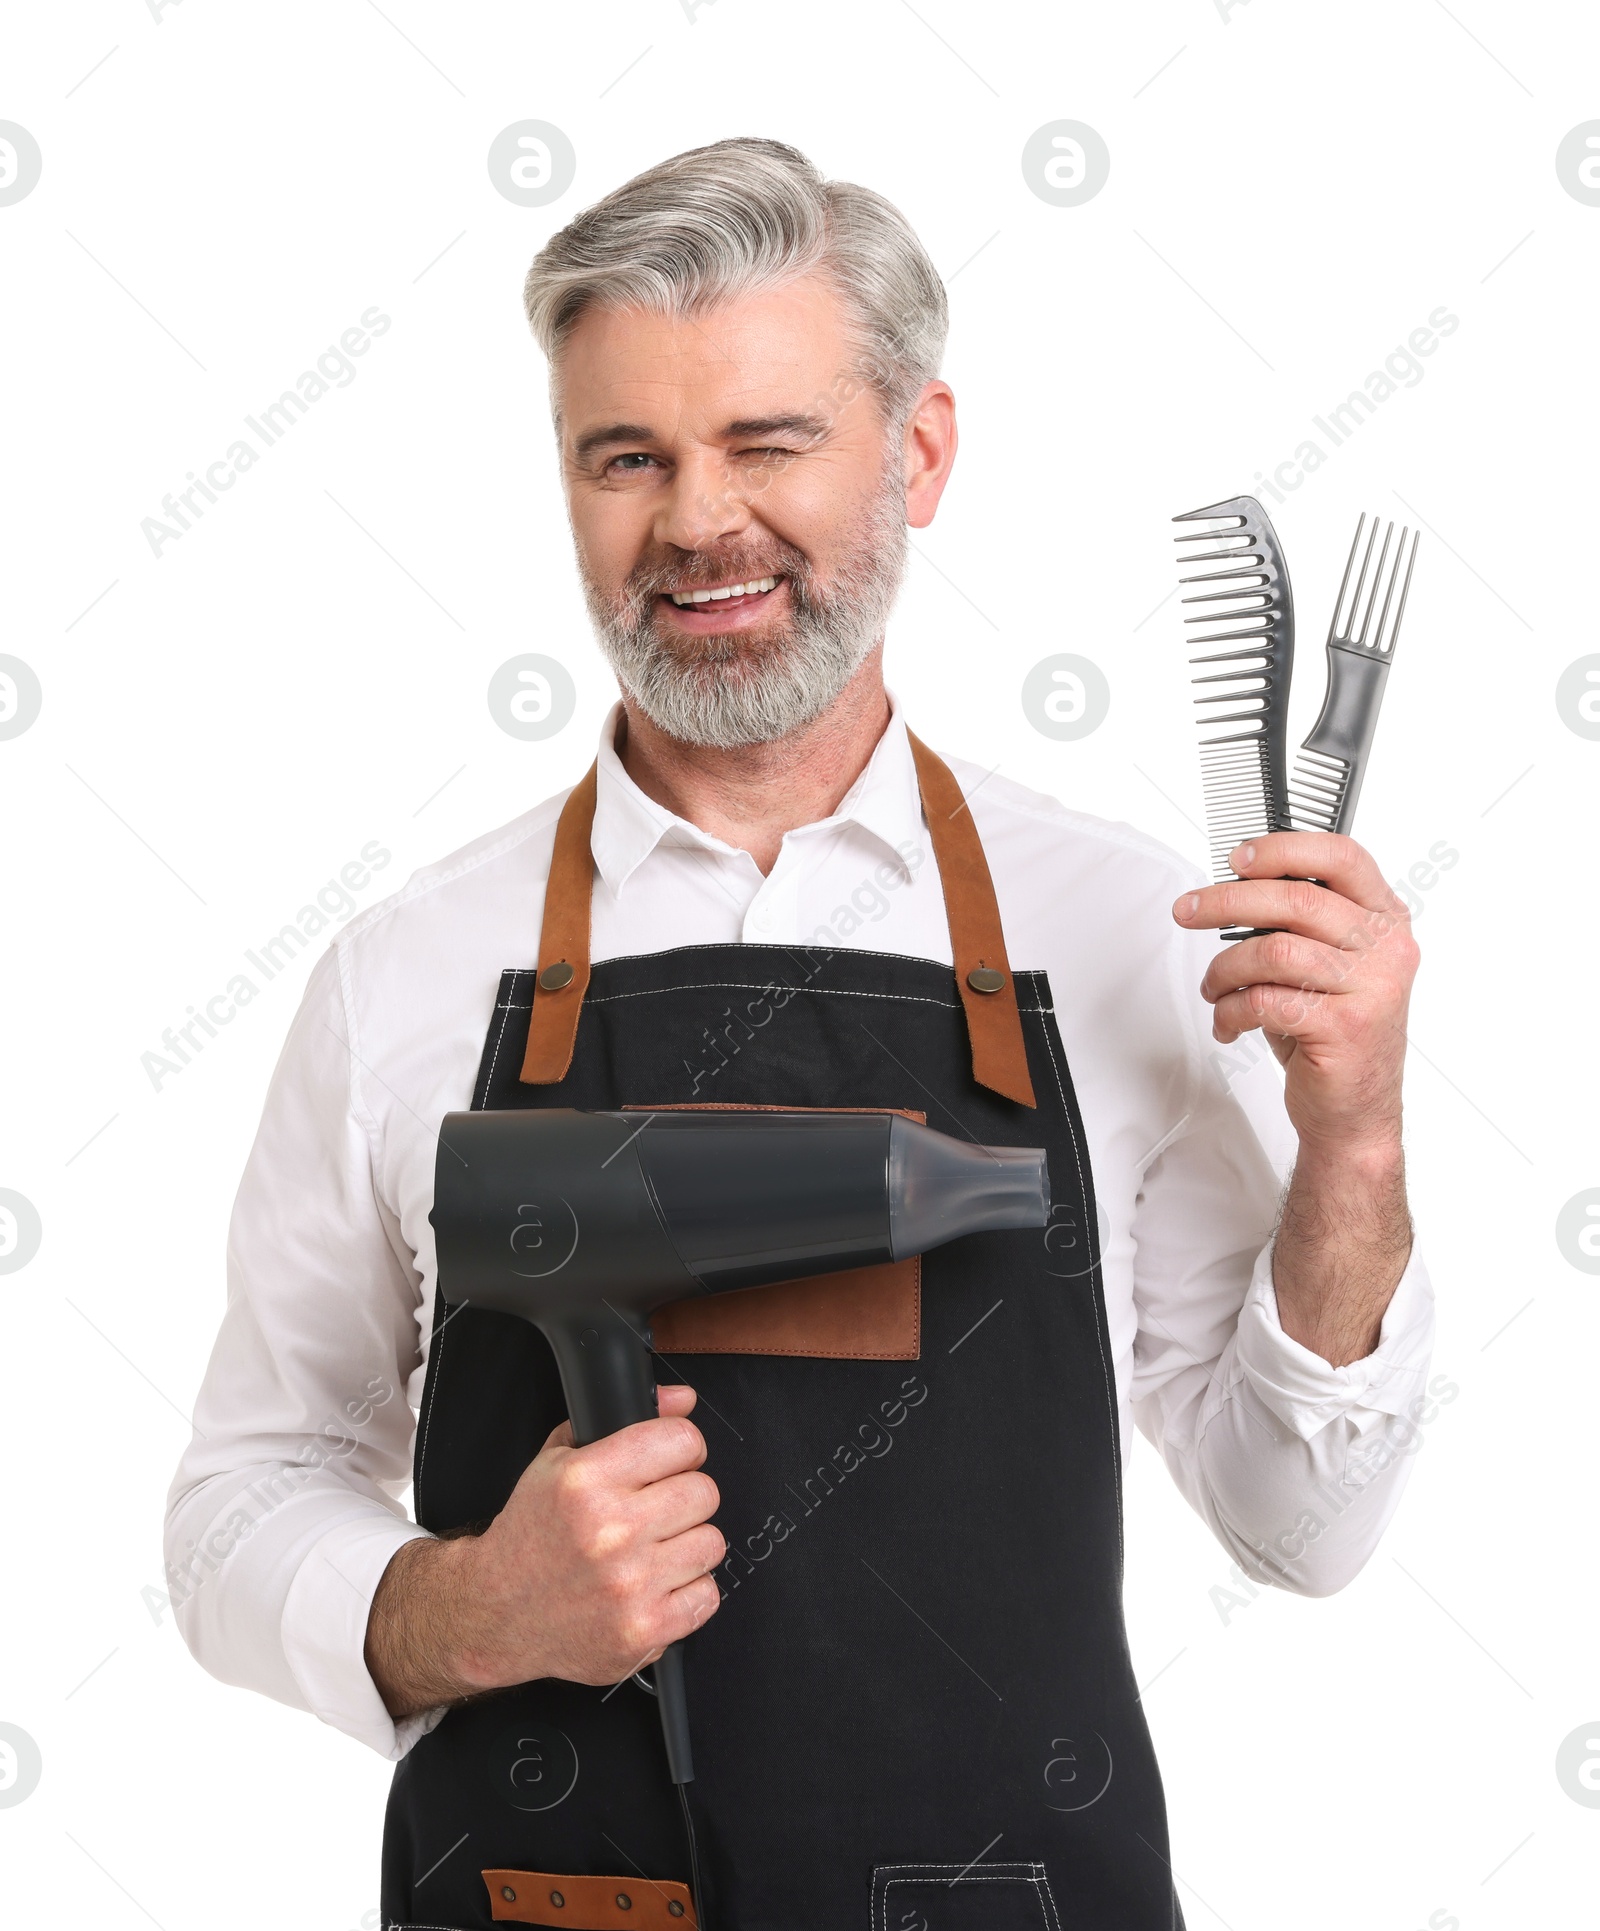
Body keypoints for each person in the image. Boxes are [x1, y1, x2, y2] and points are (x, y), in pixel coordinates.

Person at [166, 138, 1434, 1930]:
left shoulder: (1129, 931)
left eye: (768, 443)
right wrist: (463, 1609)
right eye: (630, 458)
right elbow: (237, 1507)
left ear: (913, 454)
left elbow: (1303, 1532)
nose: (697, 524)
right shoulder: (405, 975)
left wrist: (1359, 1140)